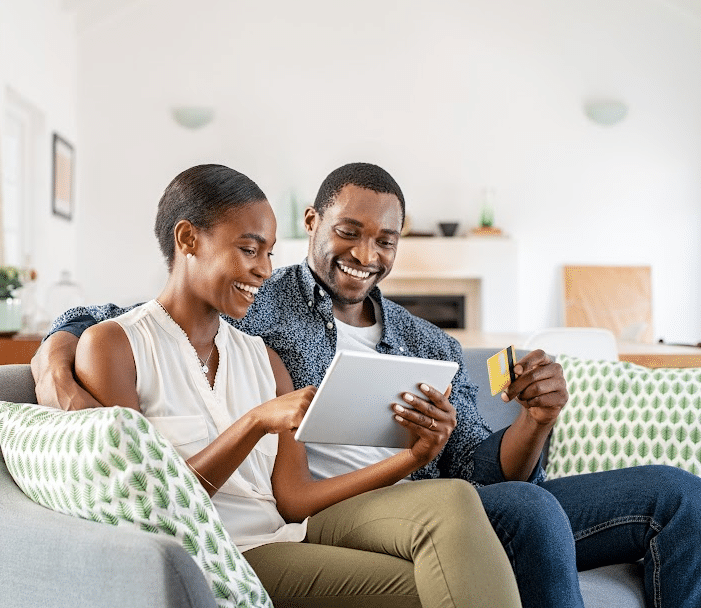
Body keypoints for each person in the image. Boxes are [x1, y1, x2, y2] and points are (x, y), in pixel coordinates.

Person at [33, 162, 701, 608]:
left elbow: (477, 466)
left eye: (386, 239)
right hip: (333, 516)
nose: (366, 254)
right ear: (313, 225)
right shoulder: (268, 303)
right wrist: (57, 348)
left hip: (431, 496)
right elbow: (139, 312)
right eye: (349, 231)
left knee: (676, 495)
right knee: (525, 511)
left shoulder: (426, 341)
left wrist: (535, 419)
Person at [72, 163, 521, 607]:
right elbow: (147, 509)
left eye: (269, 253)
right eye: (249, 250)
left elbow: (294, 500)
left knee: (454, 512)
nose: (265, 270)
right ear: (188, 239)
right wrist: (252, 423)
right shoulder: (114, 346)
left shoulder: (263, 360)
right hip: (221, 557)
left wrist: (413, 457)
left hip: (287, 536)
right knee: (434, 586)